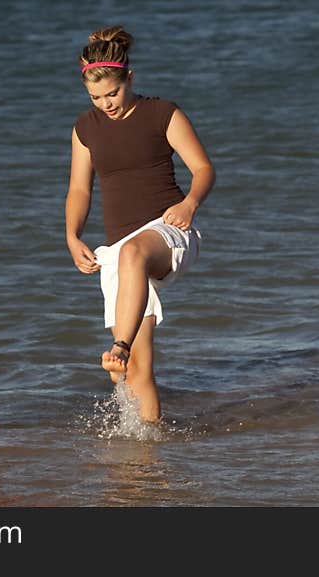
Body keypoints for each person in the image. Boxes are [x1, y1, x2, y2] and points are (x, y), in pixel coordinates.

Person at [65, 26, 215, 423]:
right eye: (96, 97)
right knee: (134, 372)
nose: (106, 104)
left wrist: (190, 204)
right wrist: (71, 236)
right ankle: (142, 454)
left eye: (112, 93)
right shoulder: (85, 128)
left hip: (170, 230)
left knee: (134, 256)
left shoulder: (162, 113)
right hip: (118, 249)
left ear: (129, 78)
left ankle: (119, 344)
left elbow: (203, 168)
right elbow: (79, 190)